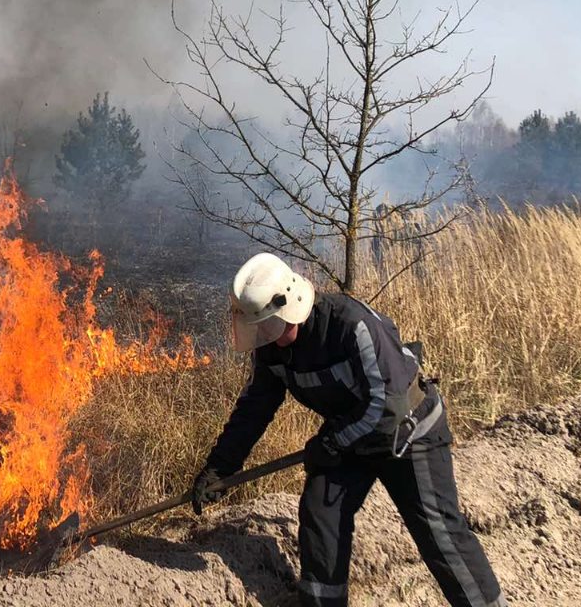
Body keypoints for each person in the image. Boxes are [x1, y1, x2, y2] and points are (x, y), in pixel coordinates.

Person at [191, 253, 506, 607]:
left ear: (290, 306)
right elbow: (254, 408)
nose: (264, 335)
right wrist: (219, 468)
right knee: (320, 514)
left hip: (408, 430)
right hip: (350, 436)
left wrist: (332, 441)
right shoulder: (271, 351)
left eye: (269, 326)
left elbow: (385, 403)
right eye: (259, 328)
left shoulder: (350, 325)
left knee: (438, 532)